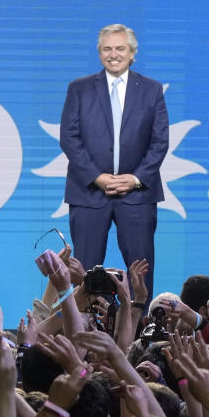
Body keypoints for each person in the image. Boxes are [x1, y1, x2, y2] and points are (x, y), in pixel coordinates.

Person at [59, 23, 168, 300]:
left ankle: (138, 334)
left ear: (133, 53)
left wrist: (134, 179)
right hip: (88, 192)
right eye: (107, 49)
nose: (113, 54)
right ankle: (85, 334)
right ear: (99, 54)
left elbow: (159, 142)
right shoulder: (79, 89)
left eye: (120, 48)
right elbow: (69, 138)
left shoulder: (152, 90)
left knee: (141, 273)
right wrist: (97, 176)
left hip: (138, 195)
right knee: (83, 271)